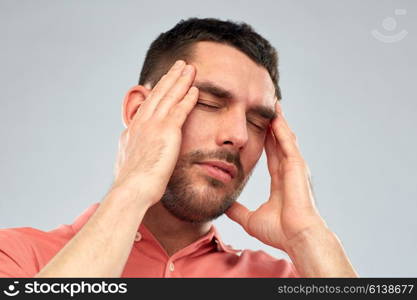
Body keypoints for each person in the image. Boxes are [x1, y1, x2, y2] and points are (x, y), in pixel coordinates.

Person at [0, 18, 357, 278]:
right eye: (210, 103)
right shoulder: (16, 258)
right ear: (139, 111)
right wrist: (132, 188)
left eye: (258, 122)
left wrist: (308, 236)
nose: (239, 136)